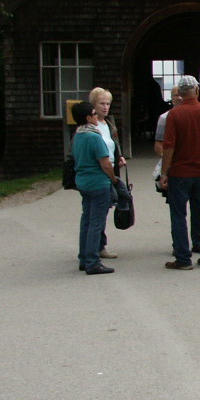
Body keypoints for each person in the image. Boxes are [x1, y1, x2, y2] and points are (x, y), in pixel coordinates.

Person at [158, 75, 200, 270]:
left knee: (179, 216)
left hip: (179, 173)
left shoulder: (175, 115)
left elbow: (168, 146)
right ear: (197, 90)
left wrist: (164, 173)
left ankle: (183, 258)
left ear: (180, 93)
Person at [70, 101, 120, 275]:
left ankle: (84, 257)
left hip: (83, 181)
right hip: (98, 182)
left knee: (87, 220)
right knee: (96, 223)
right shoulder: (94, 137)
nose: (96, 116)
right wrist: (113, 179)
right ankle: (93, 261)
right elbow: (105, 163)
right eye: (93, 113)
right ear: (88, 117)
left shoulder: (78, 135)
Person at [87, 87, 125, 260]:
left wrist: (120, 157)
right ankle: (97, 247)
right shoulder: (90, 126)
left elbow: (113, 144)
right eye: (102, 103)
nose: (105, 107)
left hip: (110, 168)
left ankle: (97, 245)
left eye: (108, 103)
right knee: (98, 212)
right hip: (100, 171)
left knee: (105, 208)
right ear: (94, 105)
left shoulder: (108, 124)